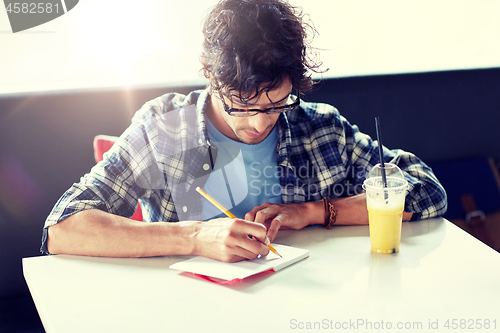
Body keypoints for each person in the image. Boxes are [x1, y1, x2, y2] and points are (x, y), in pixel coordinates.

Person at [42, 0, 447, 262]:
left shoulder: (319, 127)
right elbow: (63, 228)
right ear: (207, 71)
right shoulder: (164, 129)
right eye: (241, 104)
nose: (259, 123)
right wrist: (196, 237)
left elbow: (425, 192)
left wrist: (314, 212)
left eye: (276, 104)